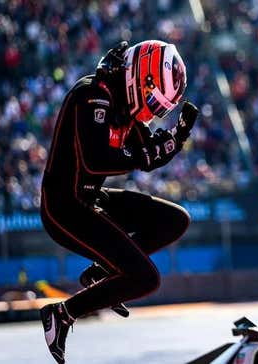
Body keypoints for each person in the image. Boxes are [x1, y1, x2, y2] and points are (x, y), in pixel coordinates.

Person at [38, 40, 199, 363]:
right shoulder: (91, 94)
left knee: (176, 220)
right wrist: (144, 153)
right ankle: (63, 313)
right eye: (154, 99)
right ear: (142, 77)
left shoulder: (125, 106)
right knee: (145, 278)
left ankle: (100, 273)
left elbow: (149, 155)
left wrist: (176, 139)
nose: (153, 110)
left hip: (90, 198)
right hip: (63, 207)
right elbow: (98, 159)